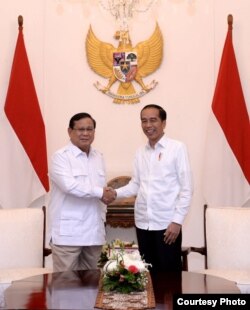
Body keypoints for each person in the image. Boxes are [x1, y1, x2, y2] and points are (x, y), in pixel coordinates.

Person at [110, 104, 193, 273]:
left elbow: (187, 188)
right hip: (143, 223)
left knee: (169, 277)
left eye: (153, 120)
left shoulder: (177, 148)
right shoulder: (141, 152)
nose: (148, 125)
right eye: (144, 121)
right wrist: (114, 193)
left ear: (164, 123)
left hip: (167, 224)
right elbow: (136, 184)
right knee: (148, 274)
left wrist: (177, 221)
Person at [48, 112, 113, 272]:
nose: (85, 133)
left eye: (89, 129)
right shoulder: (61, 157)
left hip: (94, 233)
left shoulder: (99, 156)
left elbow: (100, 191)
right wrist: (101, 193)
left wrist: (106, 197)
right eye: (80, 129)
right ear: (70, 131)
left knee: (93, 286)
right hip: (68, 236)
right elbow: (69, 186)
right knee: (65, 286)